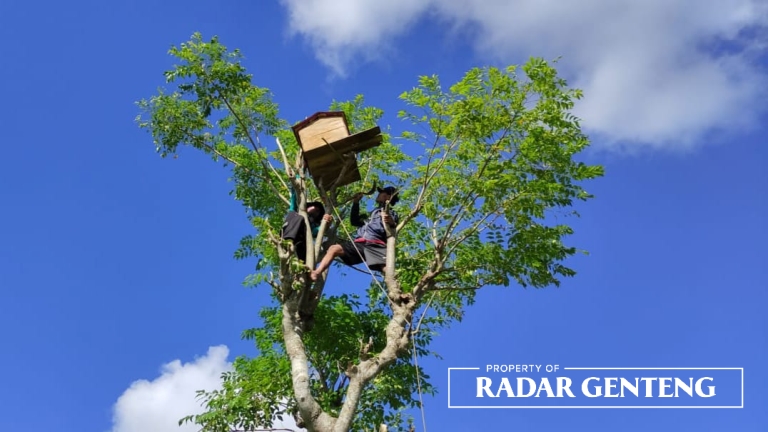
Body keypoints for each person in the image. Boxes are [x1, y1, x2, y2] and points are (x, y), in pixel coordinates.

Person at [310, 186, 399, 281]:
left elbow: (393, 224)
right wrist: (356, 203)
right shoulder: (370, 215)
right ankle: (316, 272)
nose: (378, 195)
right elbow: (354, 221)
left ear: (388, 196)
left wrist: (390, 221)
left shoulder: (391, 212)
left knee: (385, 268)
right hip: (360, 243)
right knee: (334, 249)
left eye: (381, 193)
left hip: (375, 244)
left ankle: (395, 284)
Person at [281, 182, 332, 262]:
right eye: (316, 208)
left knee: (306, 248)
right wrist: (297, 178)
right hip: (288, 233)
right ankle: (289, 241)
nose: (316, 211)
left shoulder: (312, 224)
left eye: (318, 212)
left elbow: (315, 232)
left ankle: (303, 267)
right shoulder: (295, 210)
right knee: (300, 217)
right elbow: (294, 195)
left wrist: (326, 224)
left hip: (300, 241)